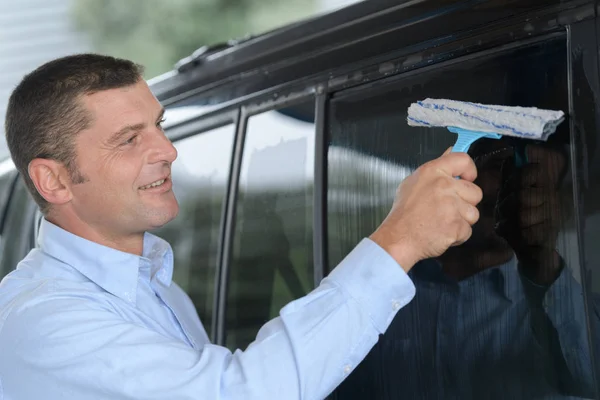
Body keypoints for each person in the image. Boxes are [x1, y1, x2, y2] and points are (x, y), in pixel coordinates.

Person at [0, 54, 482, 400]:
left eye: (159, 125)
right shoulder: (43, 322)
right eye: (129, 139)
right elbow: (242, 392)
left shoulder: (153, 286)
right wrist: (398, 241)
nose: (167, 150)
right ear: (54, 180)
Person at [331, 139, 599, 400]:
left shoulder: (570, 312)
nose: (517, 189)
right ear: (459, 177)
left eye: (538, 183)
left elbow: (590, 379)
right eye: (500, 166)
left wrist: (543, 265)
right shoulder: (378, 295)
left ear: (558, 209)